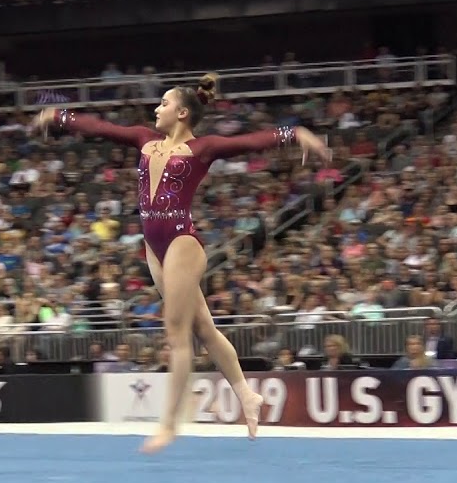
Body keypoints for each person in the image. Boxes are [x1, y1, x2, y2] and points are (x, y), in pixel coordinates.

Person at [30, 73, 330, 453]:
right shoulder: (144, 139)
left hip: (182, 242)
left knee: (177, 333)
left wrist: (295, 134)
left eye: (164, 103)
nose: (157, 108)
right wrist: (59, 117)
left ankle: (170, 424)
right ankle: (246, 394)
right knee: (203, 328)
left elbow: (250, 142)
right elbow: (100, 127)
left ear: (183, 112)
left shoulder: (203, 148)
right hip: (154, 247)